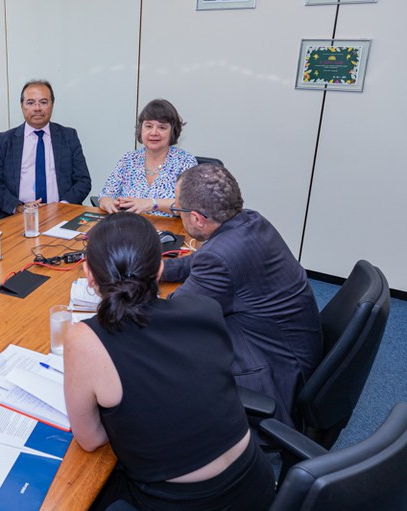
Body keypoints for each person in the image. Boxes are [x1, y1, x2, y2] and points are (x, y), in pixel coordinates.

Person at [65, 212, 275, 511]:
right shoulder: (203, 308)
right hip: (254, 484)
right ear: (161, 268)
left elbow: (91, 439)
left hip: (181, 503)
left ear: (88, 274)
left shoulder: (85, 339)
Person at [163, 163, 323, 427]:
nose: (176, 214)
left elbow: (174, 317)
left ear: (197, 218)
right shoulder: (250, 221)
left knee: (162, 357)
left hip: (272, 373)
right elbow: (202, 260)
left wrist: (120, 298)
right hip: (289, 346)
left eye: (178, 210)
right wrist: (159, 269)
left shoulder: (220, 257)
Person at [0, 80, 91, 217]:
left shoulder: (68, 136)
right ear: (22, 106)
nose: (37, 108)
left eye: (43, 102)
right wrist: (18, 207)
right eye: (30, 102)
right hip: (19, 215)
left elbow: (83, 181)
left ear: (52, 105)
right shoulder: (5, 141)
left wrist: (63, 205)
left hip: (61, 213)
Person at [98, 99, 197, 216]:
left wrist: (152, 204)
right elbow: (105, 196)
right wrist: (109, 203)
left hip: (169, 231)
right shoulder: (128, 159)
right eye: (148, 126)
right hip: (130, 227)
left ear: (172, 131)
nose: (154, 132)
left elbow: (190, 207)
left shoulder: (185, 161)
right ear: (141, 129)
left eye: (162, 127)